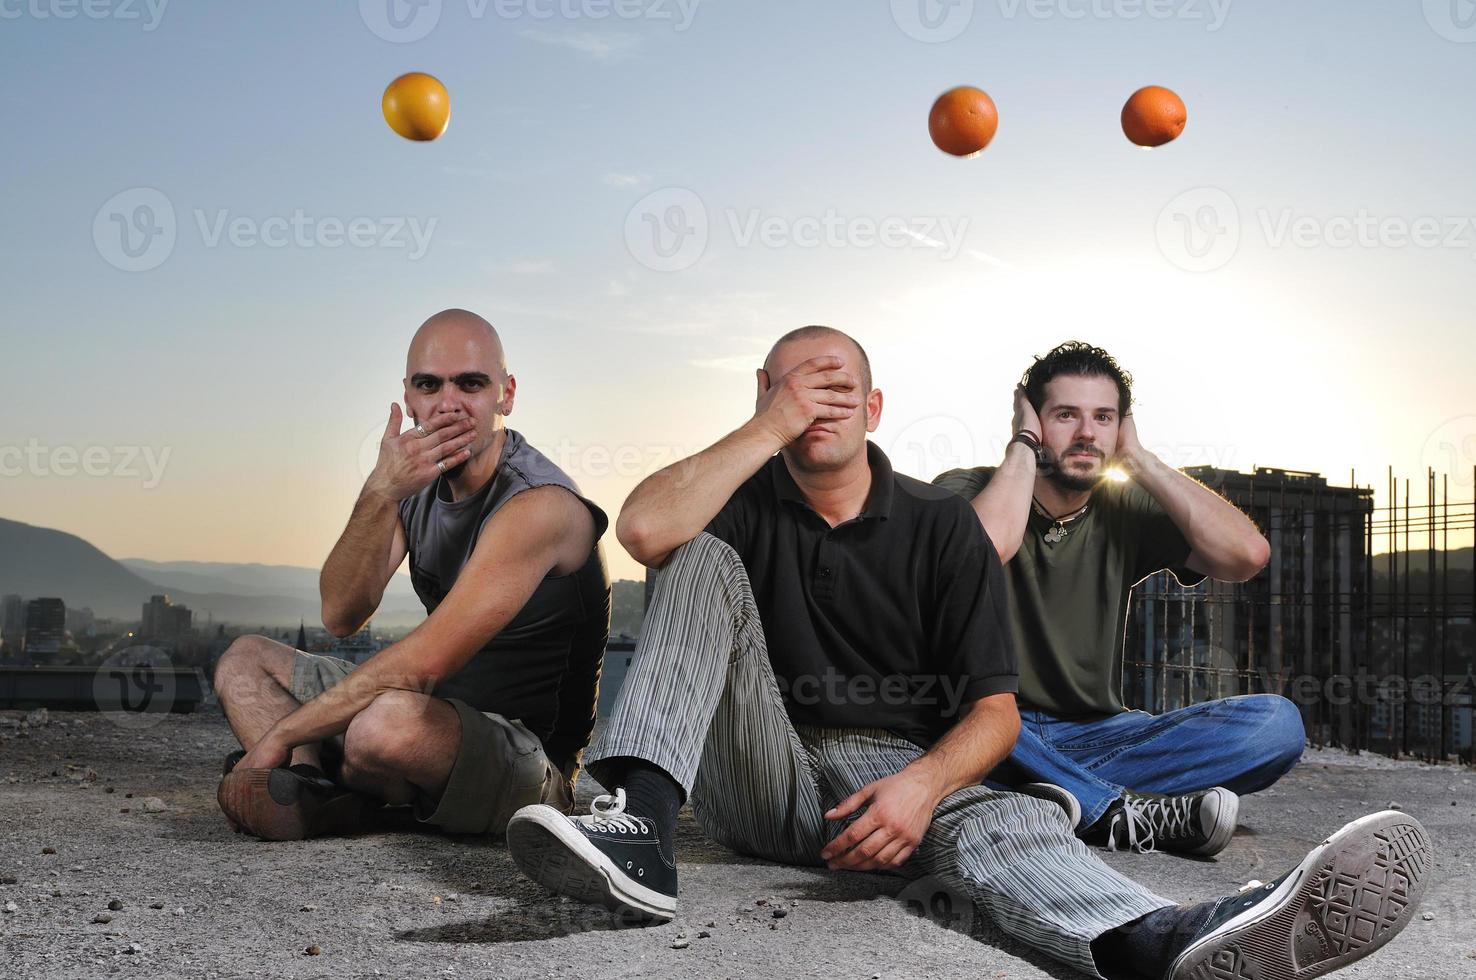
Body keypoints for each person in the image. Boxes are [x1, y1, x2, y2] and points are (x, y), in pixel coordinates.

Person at [502, 326, 1429, 979]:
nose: (813, 397)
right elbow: (645, 529)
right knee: (693, 556)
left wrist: (920, 786)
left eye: (834, 384)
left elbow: (993, 714)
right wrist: (768, 429)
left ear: (873, 405)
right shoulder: (742, 502)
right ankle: (643, 838)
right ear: (764, 396)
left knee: (1003, 817)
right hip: (768, 765)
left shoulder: (938, 522)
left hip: (905, 770)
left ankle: (1165, 942)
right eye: (792, 383)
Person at [212, 309, 611, 840]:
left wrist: (279, 736)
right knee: (243, 663)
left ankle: (328, 784)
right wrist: (381, 490)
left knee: (384, 728)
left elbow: (424, 663)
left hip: (529, 760)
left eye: (471, 383)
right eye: (430, 384)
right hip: (432, 710)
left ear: (506, 395)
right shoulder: (417, 484)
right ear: (409, 395)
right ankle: (313, 788)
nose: (448, 403)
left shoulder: (539, 505)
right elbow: (341, 614)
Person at [935, 342, 1304, 857]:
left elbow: (1246, 556)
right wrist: (1020, 444)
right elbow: (984, 550)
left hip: (1095, 731)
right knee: (942, 715)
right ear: (1033, 418)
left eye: (1103, 418)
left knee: (1275, 726)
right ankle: (1110, 811)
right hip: (988, 724)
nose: (1087, 433)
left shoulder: (1123, 507)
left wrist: (1139, 459)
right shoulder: (966, 489)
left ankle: (1047, 794)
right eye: (1066, 414)